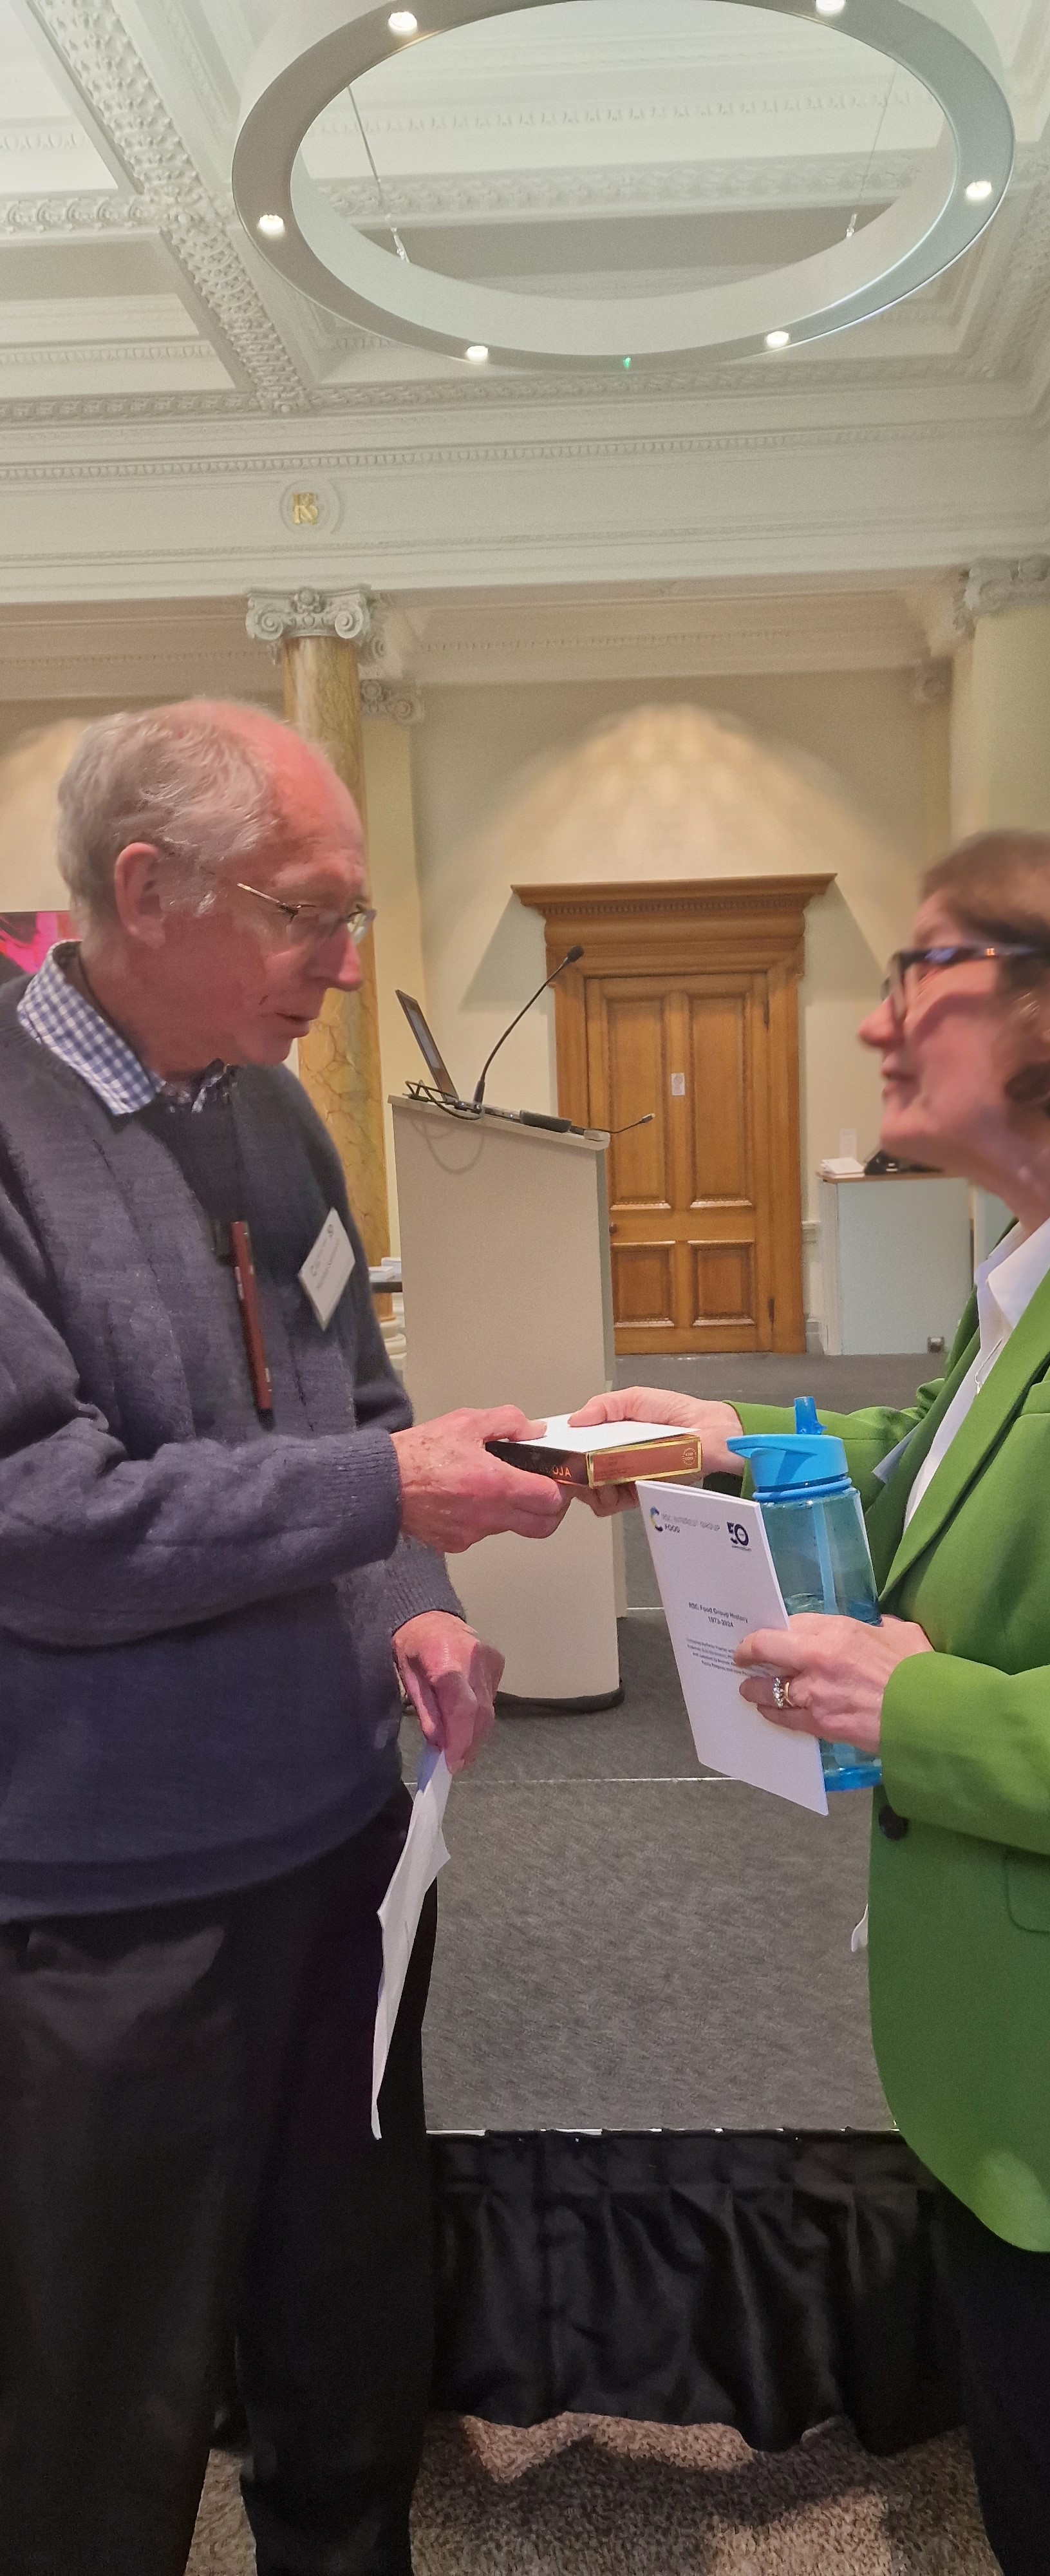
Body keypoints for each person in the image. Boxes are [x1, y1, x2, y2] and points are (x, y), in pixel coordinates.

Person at [575, 827, 1050, 2576]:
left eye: (924, 967)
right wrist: (736, 1440)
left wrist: (912, 1707)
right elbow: (936, 1460)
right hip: (1034, 2073)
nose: (874, 1020)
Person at [0, 700, 571, 2576]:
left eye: (350, 916)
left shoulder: (272, 1109)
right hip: (113, 1910)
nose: (343, 962)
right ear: (146, 890)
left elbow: (352, 1397)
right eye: (304, 912)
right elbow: (40, 1524)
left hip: (345, 1862)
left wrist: (412, 1607)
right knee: (100, 2413)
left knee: (345, 2351)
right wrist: (383, 1496)